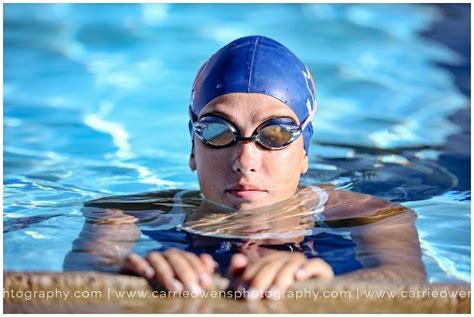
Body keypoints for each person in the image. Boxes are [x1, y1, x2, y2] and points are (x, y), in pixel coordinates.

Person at [64, 35, 425, 300]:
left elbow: (407, 280)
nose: (244, 161)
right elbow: (85, 270)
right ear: (193, 149)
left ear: (304, 154)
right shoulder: (124, 214)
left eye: (276, 134)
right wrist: (128, 275)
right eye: (218, 132)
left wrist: (326, 290)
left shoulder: (373, 216)